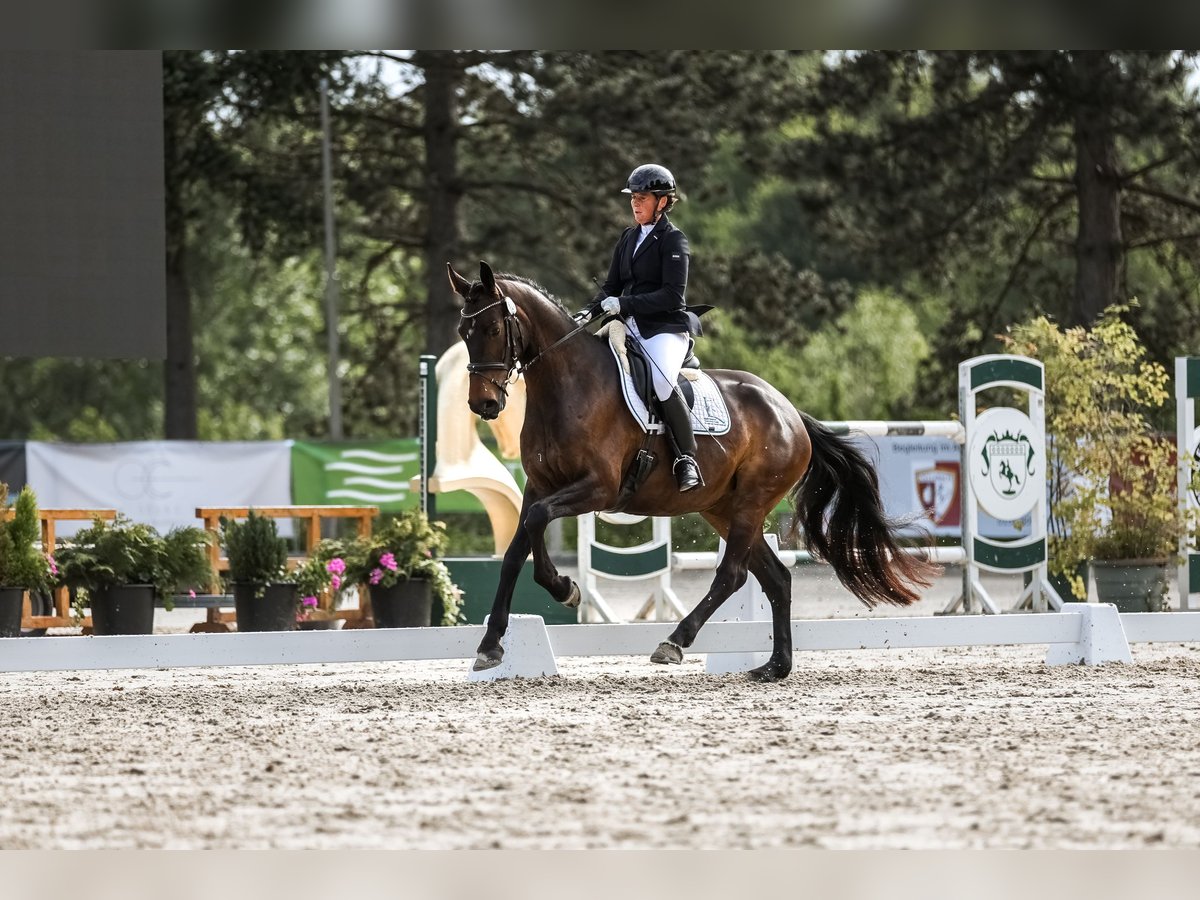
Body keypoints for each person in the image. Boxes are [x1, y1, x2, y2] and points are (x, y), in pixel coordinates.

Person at [595, 163, 707, 492]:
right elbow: (611, 286)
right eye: (633, 198)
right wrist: (587, 311)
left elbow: (672, 295)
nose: (635, 203)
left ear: (662, 202)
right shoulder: (628, 237)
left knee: (660, 381)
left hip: (664, 328)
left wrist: (624, 304)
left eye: (642, 198)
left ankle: (687, 458)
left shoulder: (674, 240)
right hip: (628, 326)